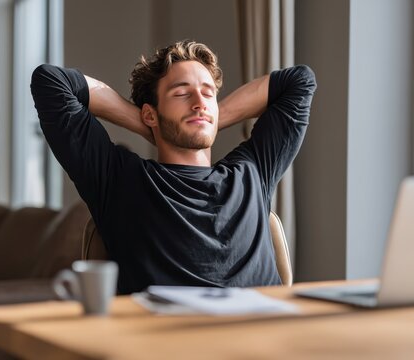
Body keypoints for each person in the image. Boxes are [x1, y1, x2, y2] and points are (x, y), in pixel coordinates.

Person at [31, 40, 316, 295]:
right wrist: (150, 124)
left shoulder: (253, 171)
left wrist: (209, 120)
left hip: (265, 339)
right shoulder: (119, 179)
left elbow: (299, 82)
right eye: (182, 94)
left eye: (208, 94)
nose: (199, 103)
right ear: (150, 113)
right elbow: (51, 82)